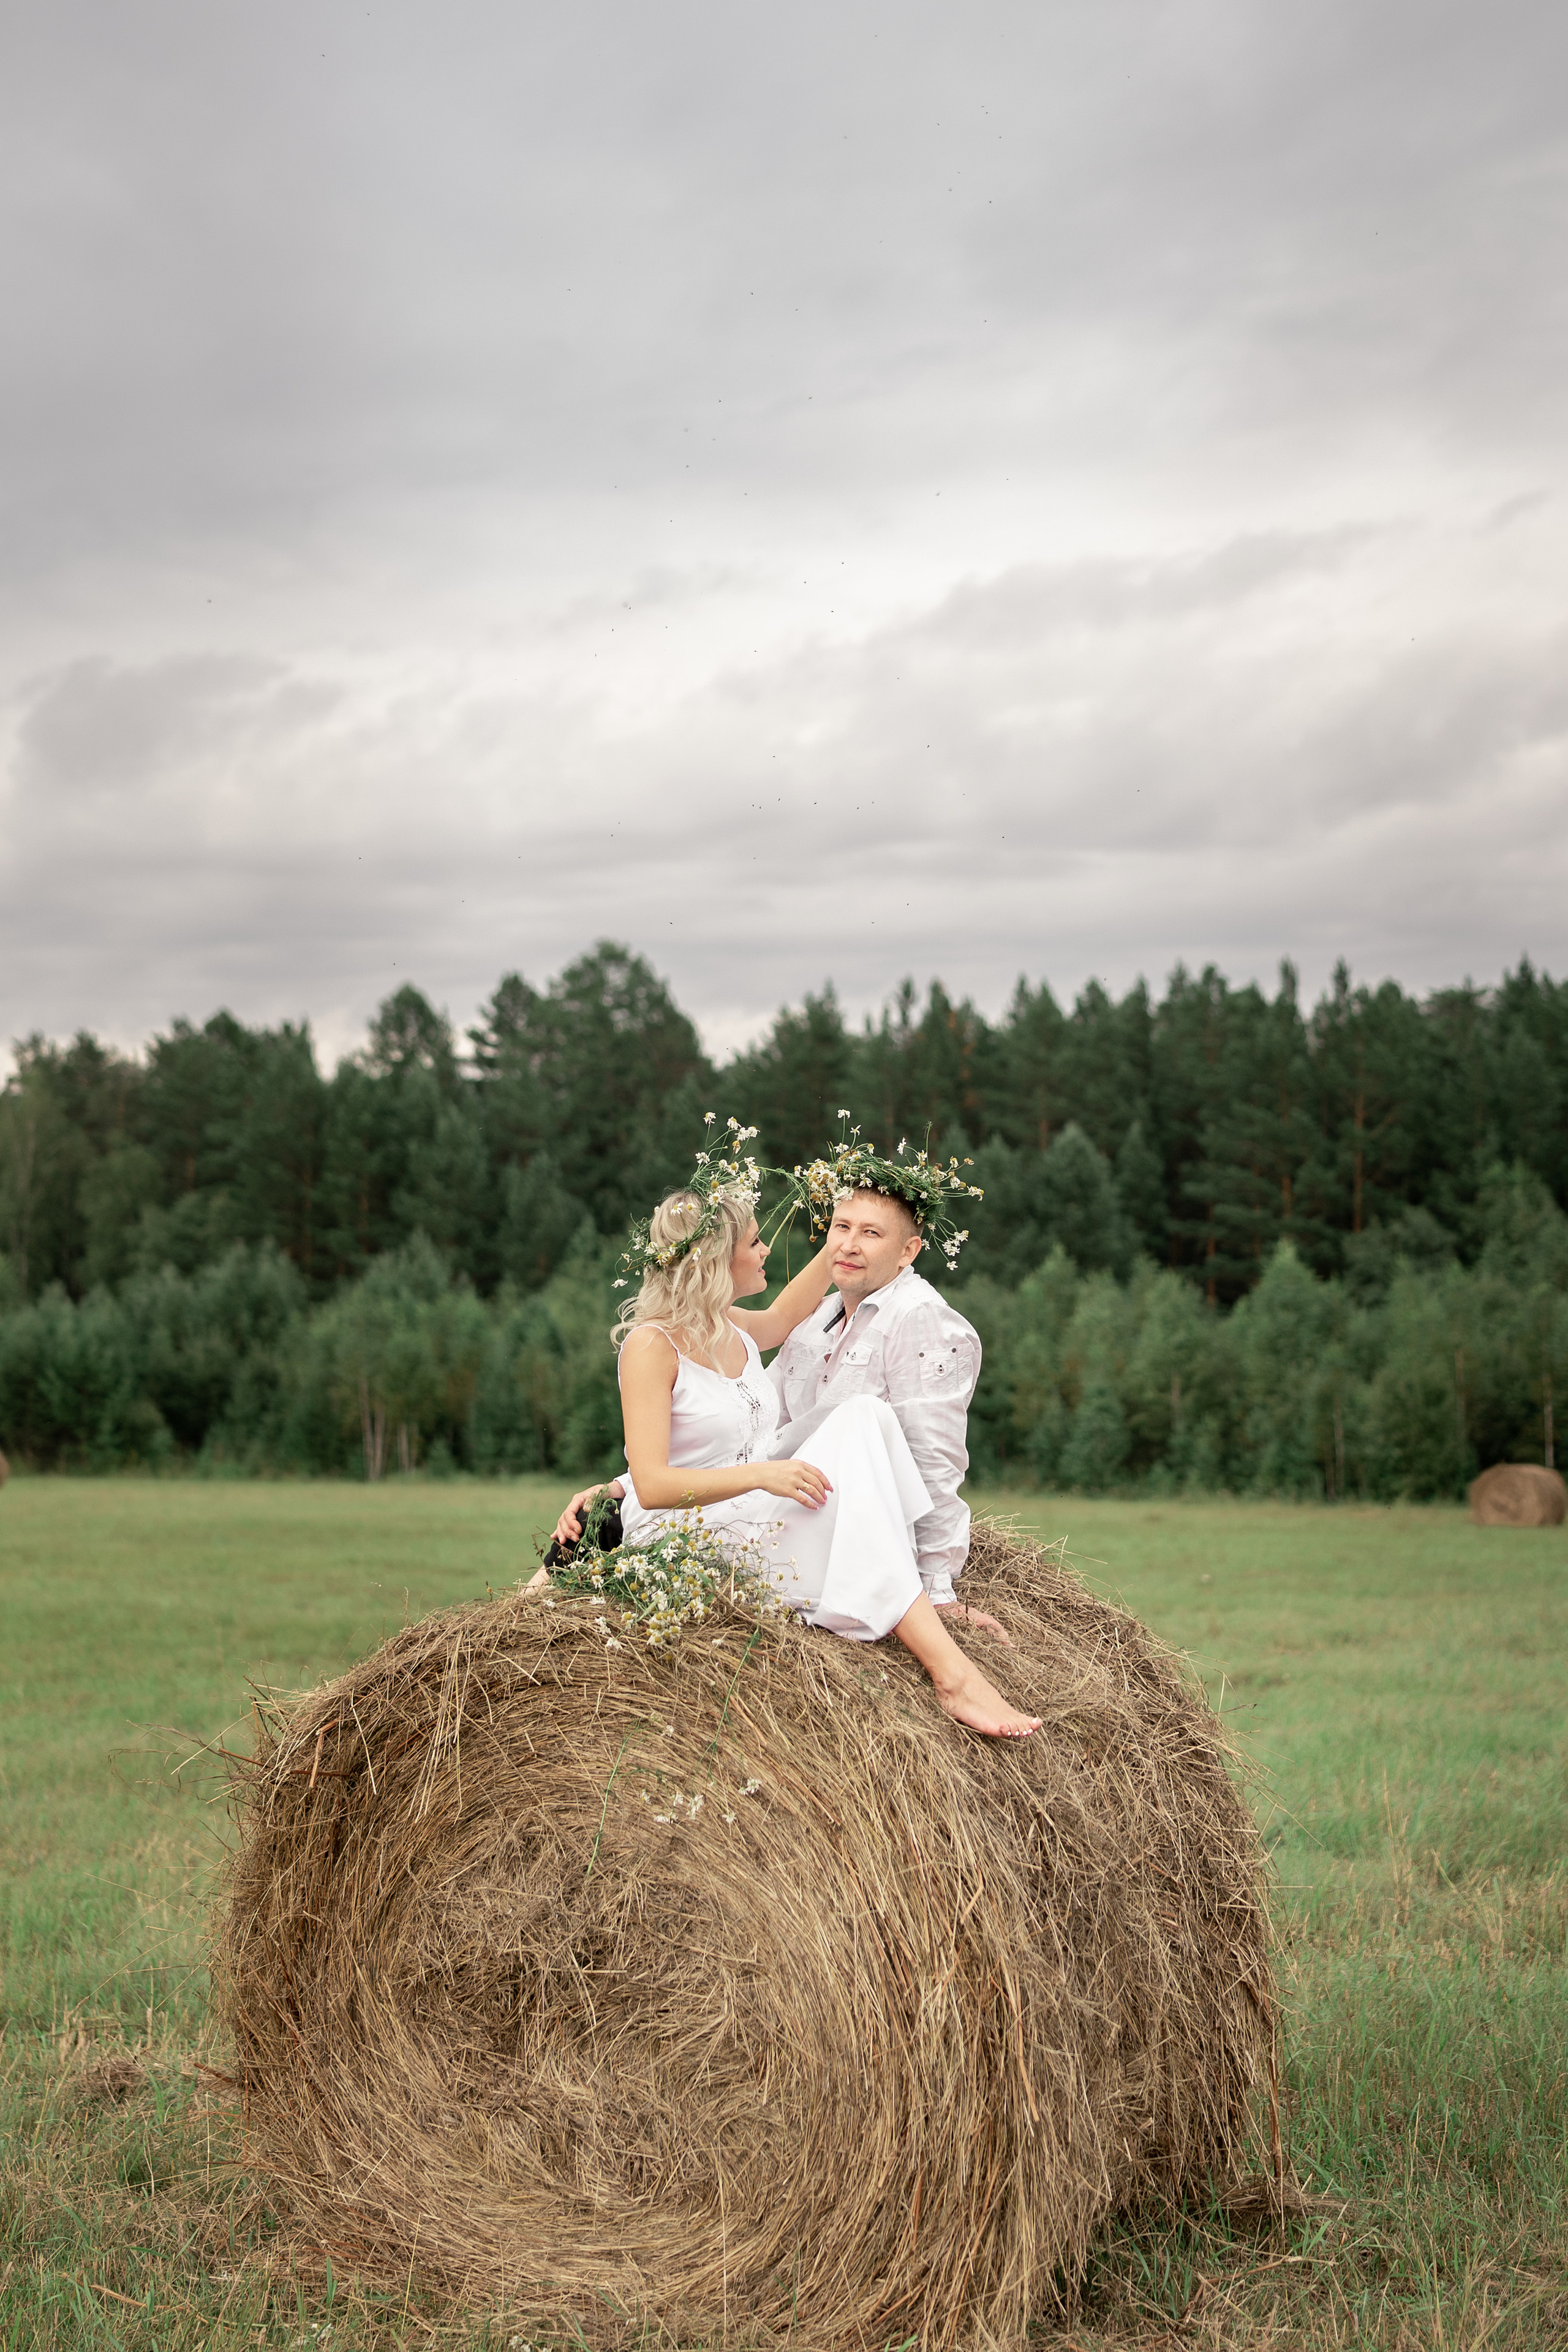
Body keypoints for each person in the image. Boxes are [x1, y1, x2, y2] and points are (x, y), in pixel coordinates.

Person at [545, 1159, 1040, 1740]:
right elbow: (657, 1480)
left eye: (864, 1233)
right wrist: (643, 1486)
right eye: (755, 1243)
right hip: (687, 1528)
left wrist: (853, 1233)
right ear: (716, 1262)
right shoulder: (651, 1346)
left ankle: (920, 1617)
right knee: (856, 1431)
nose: (765, 1252)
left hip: (744, 1508)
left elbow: (786, 1320)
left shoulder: (731, 1328)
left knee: (866, 1414)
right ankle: (951, 1671)